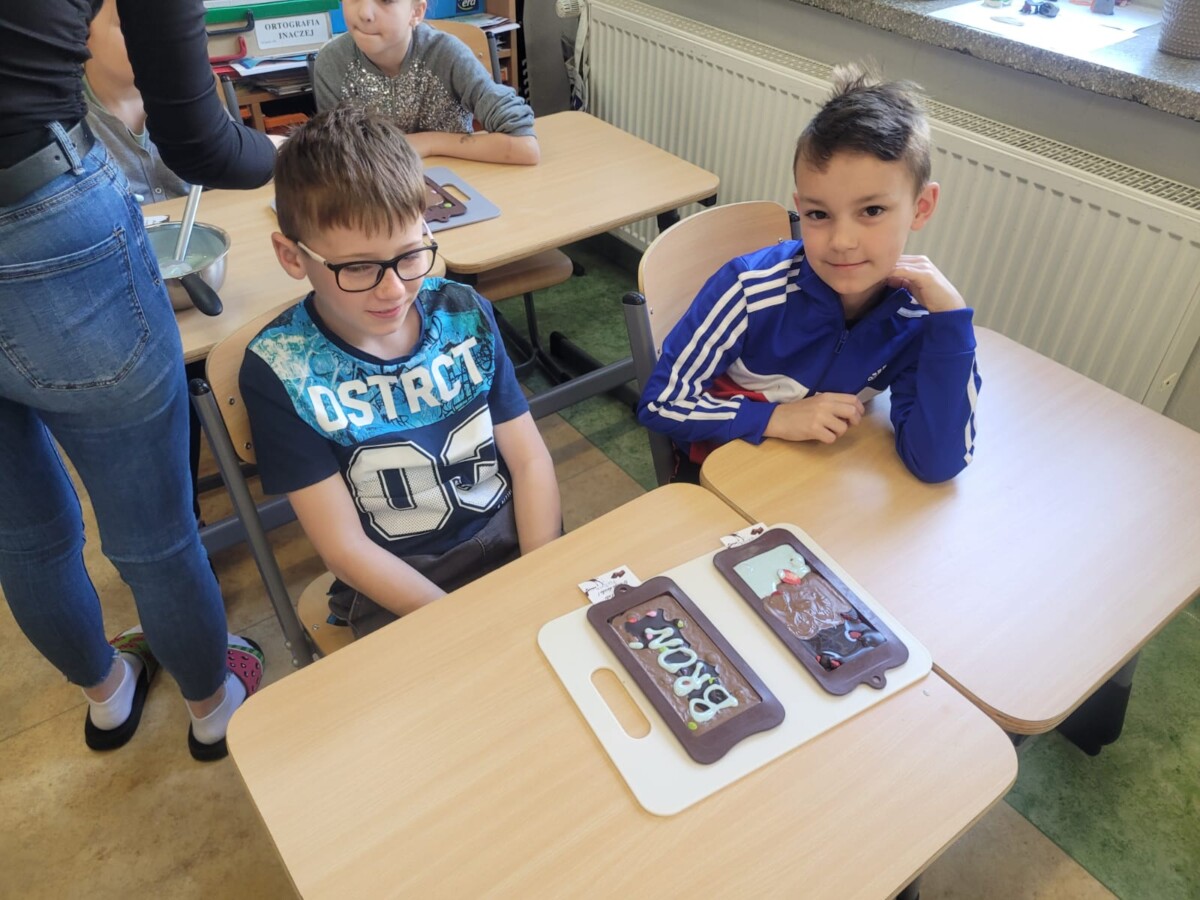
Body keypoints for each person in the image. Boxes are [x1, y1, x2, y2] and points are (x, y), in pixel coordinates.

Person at [0, 0, 280, 762]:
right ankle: (211, 708)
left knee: (22, 538)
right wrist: (289, 155)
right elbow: (200, 142)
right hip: (41, 214)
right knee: (154, 535)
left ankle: (107, 694)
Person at [239, 104, 561, 638]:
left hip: (512, 542)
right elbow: (345, 549)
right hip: (399, 584)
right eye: (358, 267)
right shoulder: (282, 368)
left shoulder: (463, 313)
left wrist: (542, 575)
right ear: (292, 256)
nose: (392, 290)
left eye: (410, 256)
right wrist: (467, 628)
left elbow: (529, 461)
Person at [637, 63, 981, 485]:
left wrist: (952, 322)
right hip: (722, 471)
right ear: (801, 208)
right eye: (819, 214)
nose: (842, 241)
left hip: (818, 477)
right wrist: (775, 418)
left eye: (872, 210)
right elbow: (660, 403)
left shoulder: (919, 317)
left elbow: (936, 462)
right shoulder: (748, 289)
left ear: (921, 207)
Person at [313, 0, 539, 165]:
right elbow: (336, 159)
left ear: (416, 12)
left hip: (460, 184)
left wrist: (430, 143)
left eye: (386, 1)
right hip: (376, 198)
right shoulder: (331, 62)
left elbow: (525, 146)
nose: (364, 13)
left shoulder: (447, 54)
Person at [83, 0, 189, 204]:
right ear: (83, 31)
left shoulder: (188, 93)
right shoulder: (63, 120)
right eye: (130, 25)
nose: (158, 40)